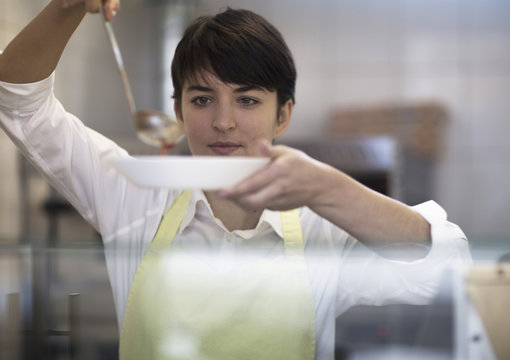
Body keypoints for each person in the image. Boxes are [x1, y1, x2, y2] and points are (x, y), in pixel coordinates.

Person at [0, 0, 472, 359]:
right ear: (178, 111)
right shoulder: (134, 193)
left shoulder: (320, 220)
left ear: (283, 114)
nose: (223, 123)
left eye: (247, 100)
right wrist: (64, 8)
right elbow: (18, 101)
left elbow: (445, 267)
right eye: (203, 100)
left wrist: (330, 187)